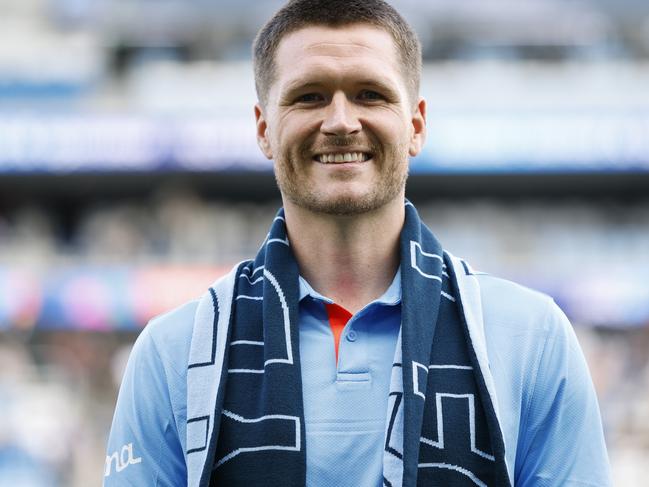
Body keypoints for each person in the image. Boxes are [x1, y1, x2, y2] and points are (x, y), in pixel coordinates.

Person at [104, 0, 612, 485]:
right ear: (263, 128)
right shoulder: (172, 352)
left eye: (370, 94)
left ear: (415, 125)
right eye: (309, 96)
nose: (341, 122)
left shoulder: (533, 339)